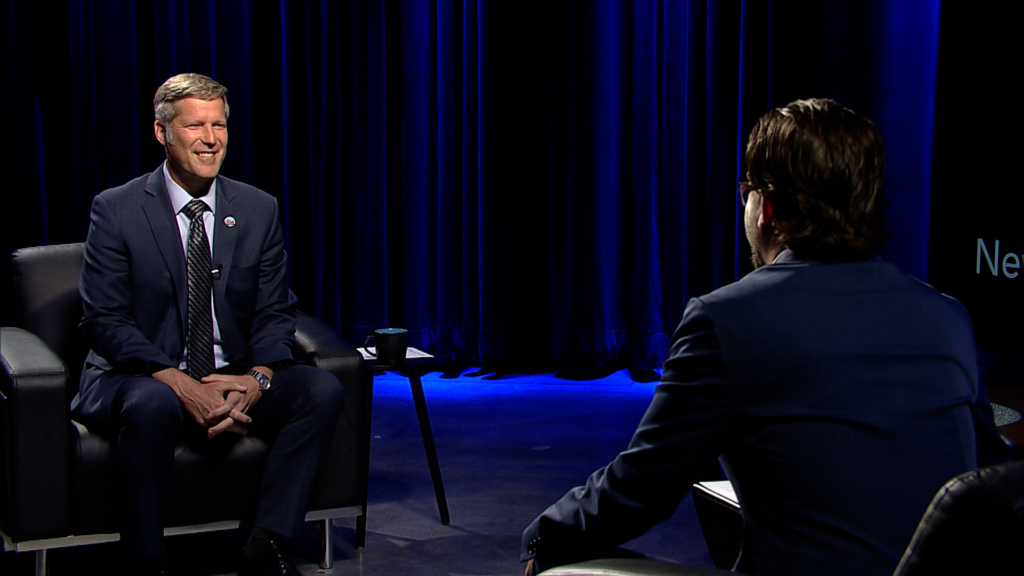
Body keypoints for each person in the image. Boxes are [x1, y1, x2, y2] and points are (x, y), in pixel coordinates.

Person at [520, 98, 1010, 576]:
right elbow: (990, 480)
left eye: (747, 191)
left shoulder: (727, 320)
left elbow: (641, 488)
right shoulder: (948, 317)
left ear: (766, 207)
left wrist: (543, 535)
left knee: (560, 565)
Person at [72, 73, 346, 576]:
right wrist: (175, 380)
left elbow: (273, 309)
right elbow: (103, 319)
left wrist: (257, 378)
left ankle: (264, 542)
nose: (210, 138)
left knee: (320, 390)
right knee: (153, 403)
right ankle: (147, 559)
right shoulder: (117, 210)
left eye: (219, 124)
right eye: (195, 125)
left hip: (229, 375)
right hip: (139, 376)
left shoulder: (258, 209)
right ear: (162, 132)